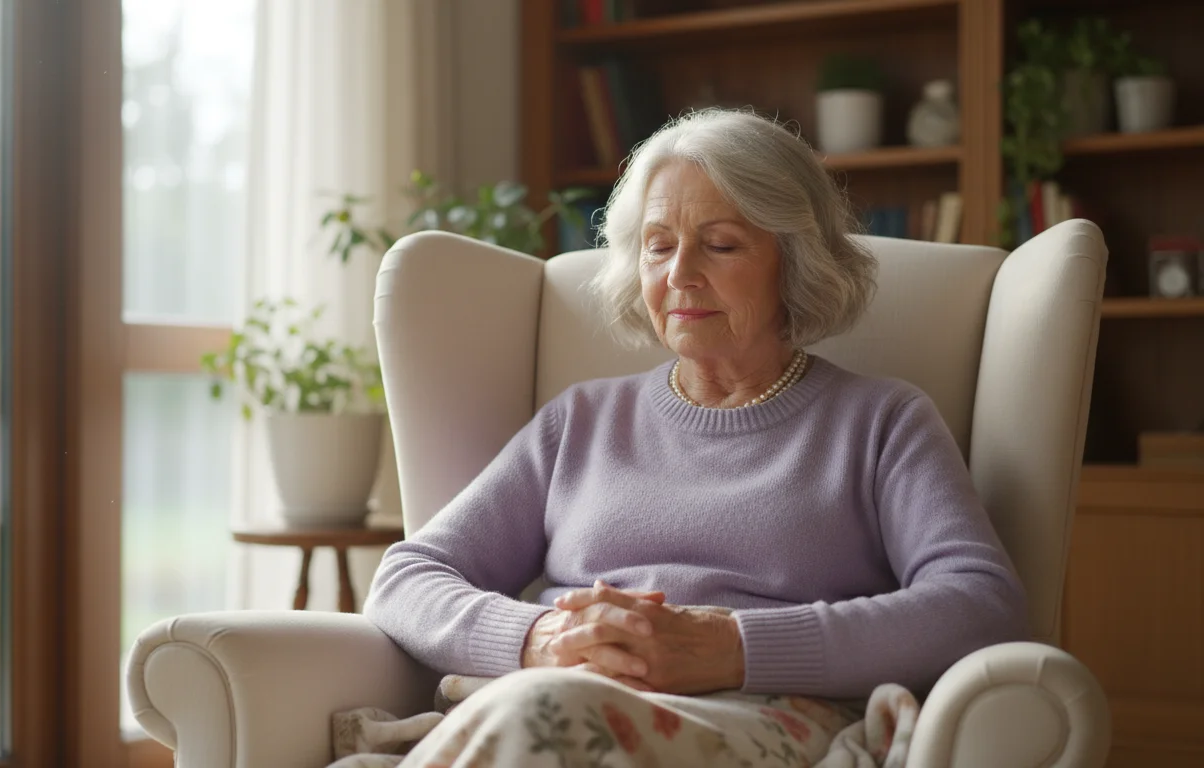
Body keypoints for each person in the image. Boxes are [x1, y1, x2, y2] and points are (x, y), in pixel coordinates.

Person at [359, 107, 1027, 766]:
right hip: (549, 702)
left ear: (794, 262)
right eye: (658, 245)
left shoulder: (880, 422)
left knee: (539, 718)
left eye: (721, 244)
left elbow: (980, 604)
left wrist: (734, 646)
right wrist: (542, 636)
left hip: (755, 715)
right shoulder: (581, 421)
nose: (679, 273)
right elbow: (408, 578)